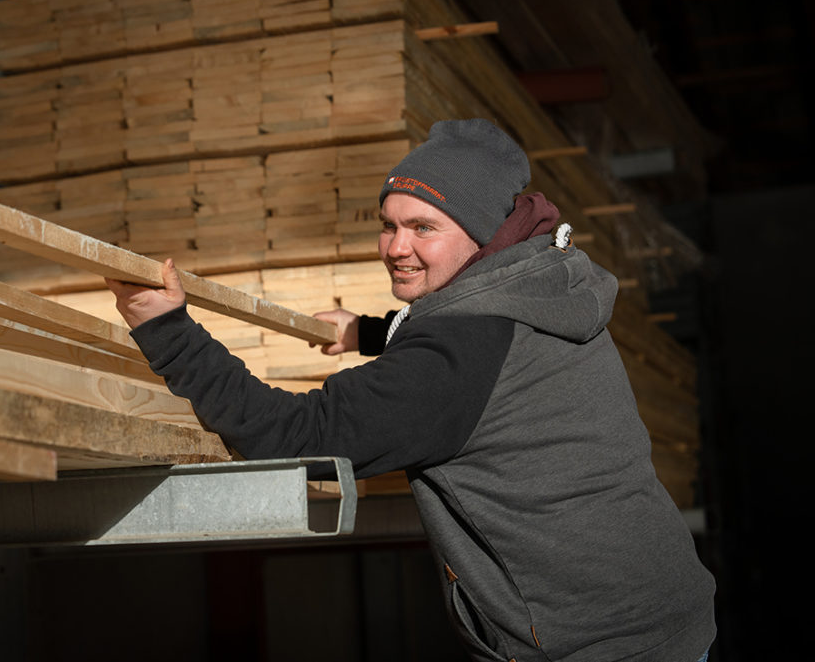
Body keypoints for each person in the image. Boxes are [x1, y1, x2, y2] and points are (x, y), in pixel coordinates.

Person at [105, 119, 716, 662]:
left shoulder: (459, 354)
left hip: (595, 645)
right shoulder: (541, 281)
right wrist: (371, 332)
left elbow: (289, 434)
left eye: (423, 227)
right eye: (388, 226)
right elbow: (458, 335)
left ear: (479, 232)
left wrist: (164, 327)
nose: (397, 248)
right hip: (661, 611)